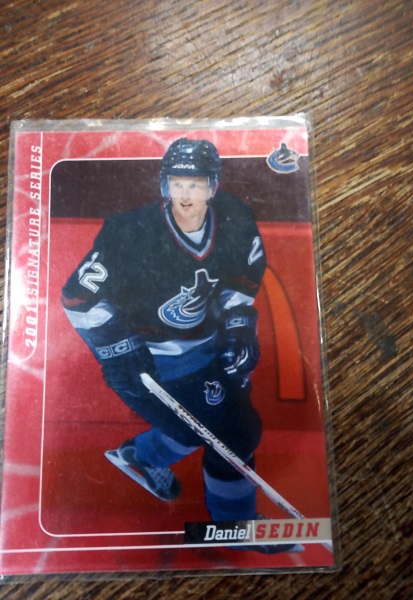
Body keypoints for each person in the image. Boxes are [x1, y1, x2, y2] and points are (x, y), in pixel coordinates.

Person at [62, 138, 301, 552]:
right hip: (150, 359)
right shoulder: (128, 234)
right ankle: (234, 525)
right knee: (233, 433)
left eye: (196, 184)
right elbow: (77, 298)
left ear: (213, 186)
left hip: (208, 346)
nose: (185, 194)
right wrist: (121, 350)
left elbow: (240, 283)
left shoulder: (236, 218)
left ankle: (140, 456)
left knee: (205, 428)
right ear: (164, 185)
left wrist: (240, 326)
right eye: (177, 183)